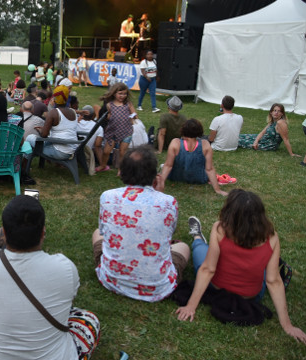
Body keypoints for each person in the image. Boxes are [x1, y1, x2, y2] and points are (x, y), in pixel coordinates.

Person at [0, 195, 100, 360]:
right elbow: (68, 306)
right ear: (43, 232)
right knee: (90, 320)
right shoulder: (64, 268)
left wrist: (13, 223)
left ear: (4, 232)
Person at [175, 191, 306, 345]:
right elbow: (273, 281)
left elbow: (208, 269)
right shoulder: (272, 237)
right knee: (265, 267)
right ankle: (201, 240)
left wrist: (191, 306)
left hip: (218, 288)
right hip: (252, 295)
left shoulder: (219, 228)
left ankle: (197, 237)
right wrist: (287, 325)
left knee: (201, 251)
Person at [92, 145, 190, 302]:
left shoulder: (107, 197)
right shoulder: (168, 202)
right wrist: (160, 194)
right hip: (158, 287)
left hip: (112, 280)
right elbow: (167, 233)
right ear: (154, 174)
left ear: (122, 171)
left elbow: (103, 232)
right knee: (183, 247)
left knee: (97, 233)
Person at [21, 84, 78, 185]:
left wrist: (41, 130)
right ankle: (26, 167)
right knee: (32, 142)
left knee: (30, 139)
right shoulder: (73, 112)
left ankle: (23, 169)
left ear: (56, 98)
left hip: (59, 151)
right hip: (72, 147)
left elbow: (44, 135)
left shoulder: (54, 112)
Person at [157, 119, 227, 196]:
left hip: (176, 177)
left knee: (163, 165)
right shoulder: (205, 144)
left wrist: (160, 184)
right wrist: (217, 190)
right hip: (199, 179)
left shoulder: (175, 142)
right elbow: (209, 169)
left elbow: (168, 165)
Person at [98, 82, 136, 171]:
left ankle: (121, 169)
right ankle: (103, 165)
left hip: (126, 131)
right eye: (120, 93)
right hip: (113, 131)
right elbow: (108, 116)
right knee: (106, 151)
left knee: (122, 152)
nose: (123, 96)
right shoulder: (109, 105)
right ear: (114, 94)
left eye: (125, 94)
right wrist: (109, 117)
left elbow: (134, 114)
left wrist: (133, 116)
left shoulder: (128, 104)